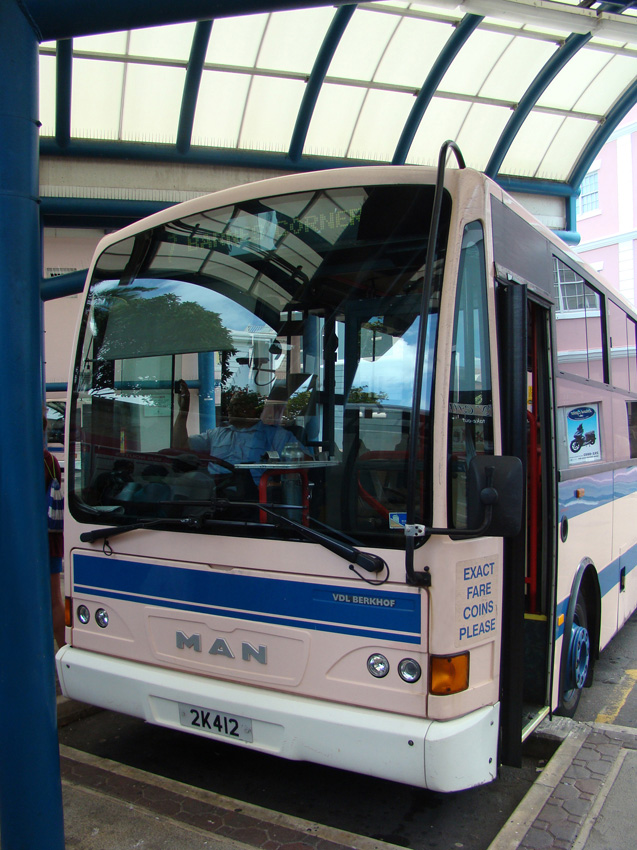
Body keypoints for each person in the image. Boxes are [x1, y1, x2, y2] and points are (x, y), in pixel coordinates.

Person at [172, 381, 310, 487]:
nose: (232, 410)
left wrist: (280, 483)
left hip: (253, 497)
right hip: (213, 492)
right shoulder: (217, 434)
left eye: (239, 406)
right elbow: (179, 446)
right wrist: (183, 411)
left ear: (254, 411)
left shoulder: (275, 435)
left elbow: (305, 462)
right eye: (232, 406)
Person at [44, 411, 66, 648]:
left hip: (26, 539)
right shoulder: (48, 460)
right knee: (54, 599)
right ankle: (61, 649)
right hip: (50, 537)